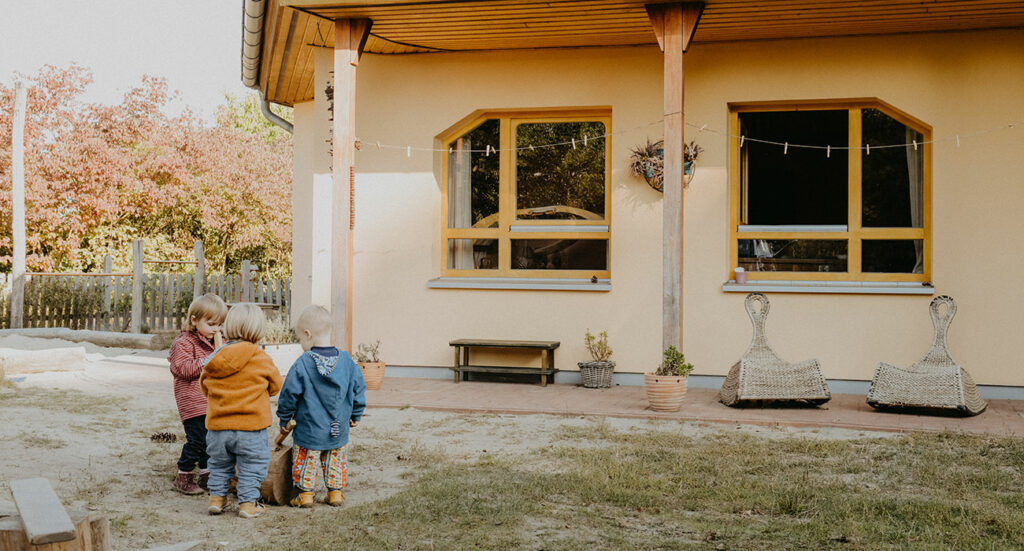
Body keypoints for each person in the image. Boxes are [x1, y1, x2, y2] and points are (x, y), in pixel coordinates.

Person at [276, 305, 366, 508]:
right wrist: (356, 413)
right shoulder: (348, 362)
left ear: (308, 335)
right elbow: (358, 388)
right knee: (335, 457)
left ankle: (305, 494)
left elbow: (289, 394)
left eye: (300, 338)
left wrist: (284, 418)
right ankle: (335, 493)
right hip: (338, 426)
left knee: (306, 458)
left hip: (309, 427)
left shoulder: (303, 363)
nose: (301, 343)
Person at [201, 303, 283, 518]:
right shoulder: (261, 357)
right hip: (251, 428)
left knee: (218, 465)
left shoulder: (216, 357)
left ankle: (217, 500)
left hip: (218, 428)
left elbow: (204, 385)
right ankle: (247, 504)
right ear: (258, 330)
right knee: (252, 466)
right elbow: (275, 386)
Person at [167, 293, 228, 495]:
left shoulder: (216, 340)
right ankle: (183, 475)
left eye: (219, 324)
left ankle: (206, 473)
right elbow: (182, 369)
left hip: (211, 401)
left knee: (211, 439)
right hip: (192, 402)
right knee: (197, 440)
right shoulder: (183, 343)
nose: (216, 329)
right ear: (194, 320)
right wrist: (210, 359)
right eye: (211, 324)